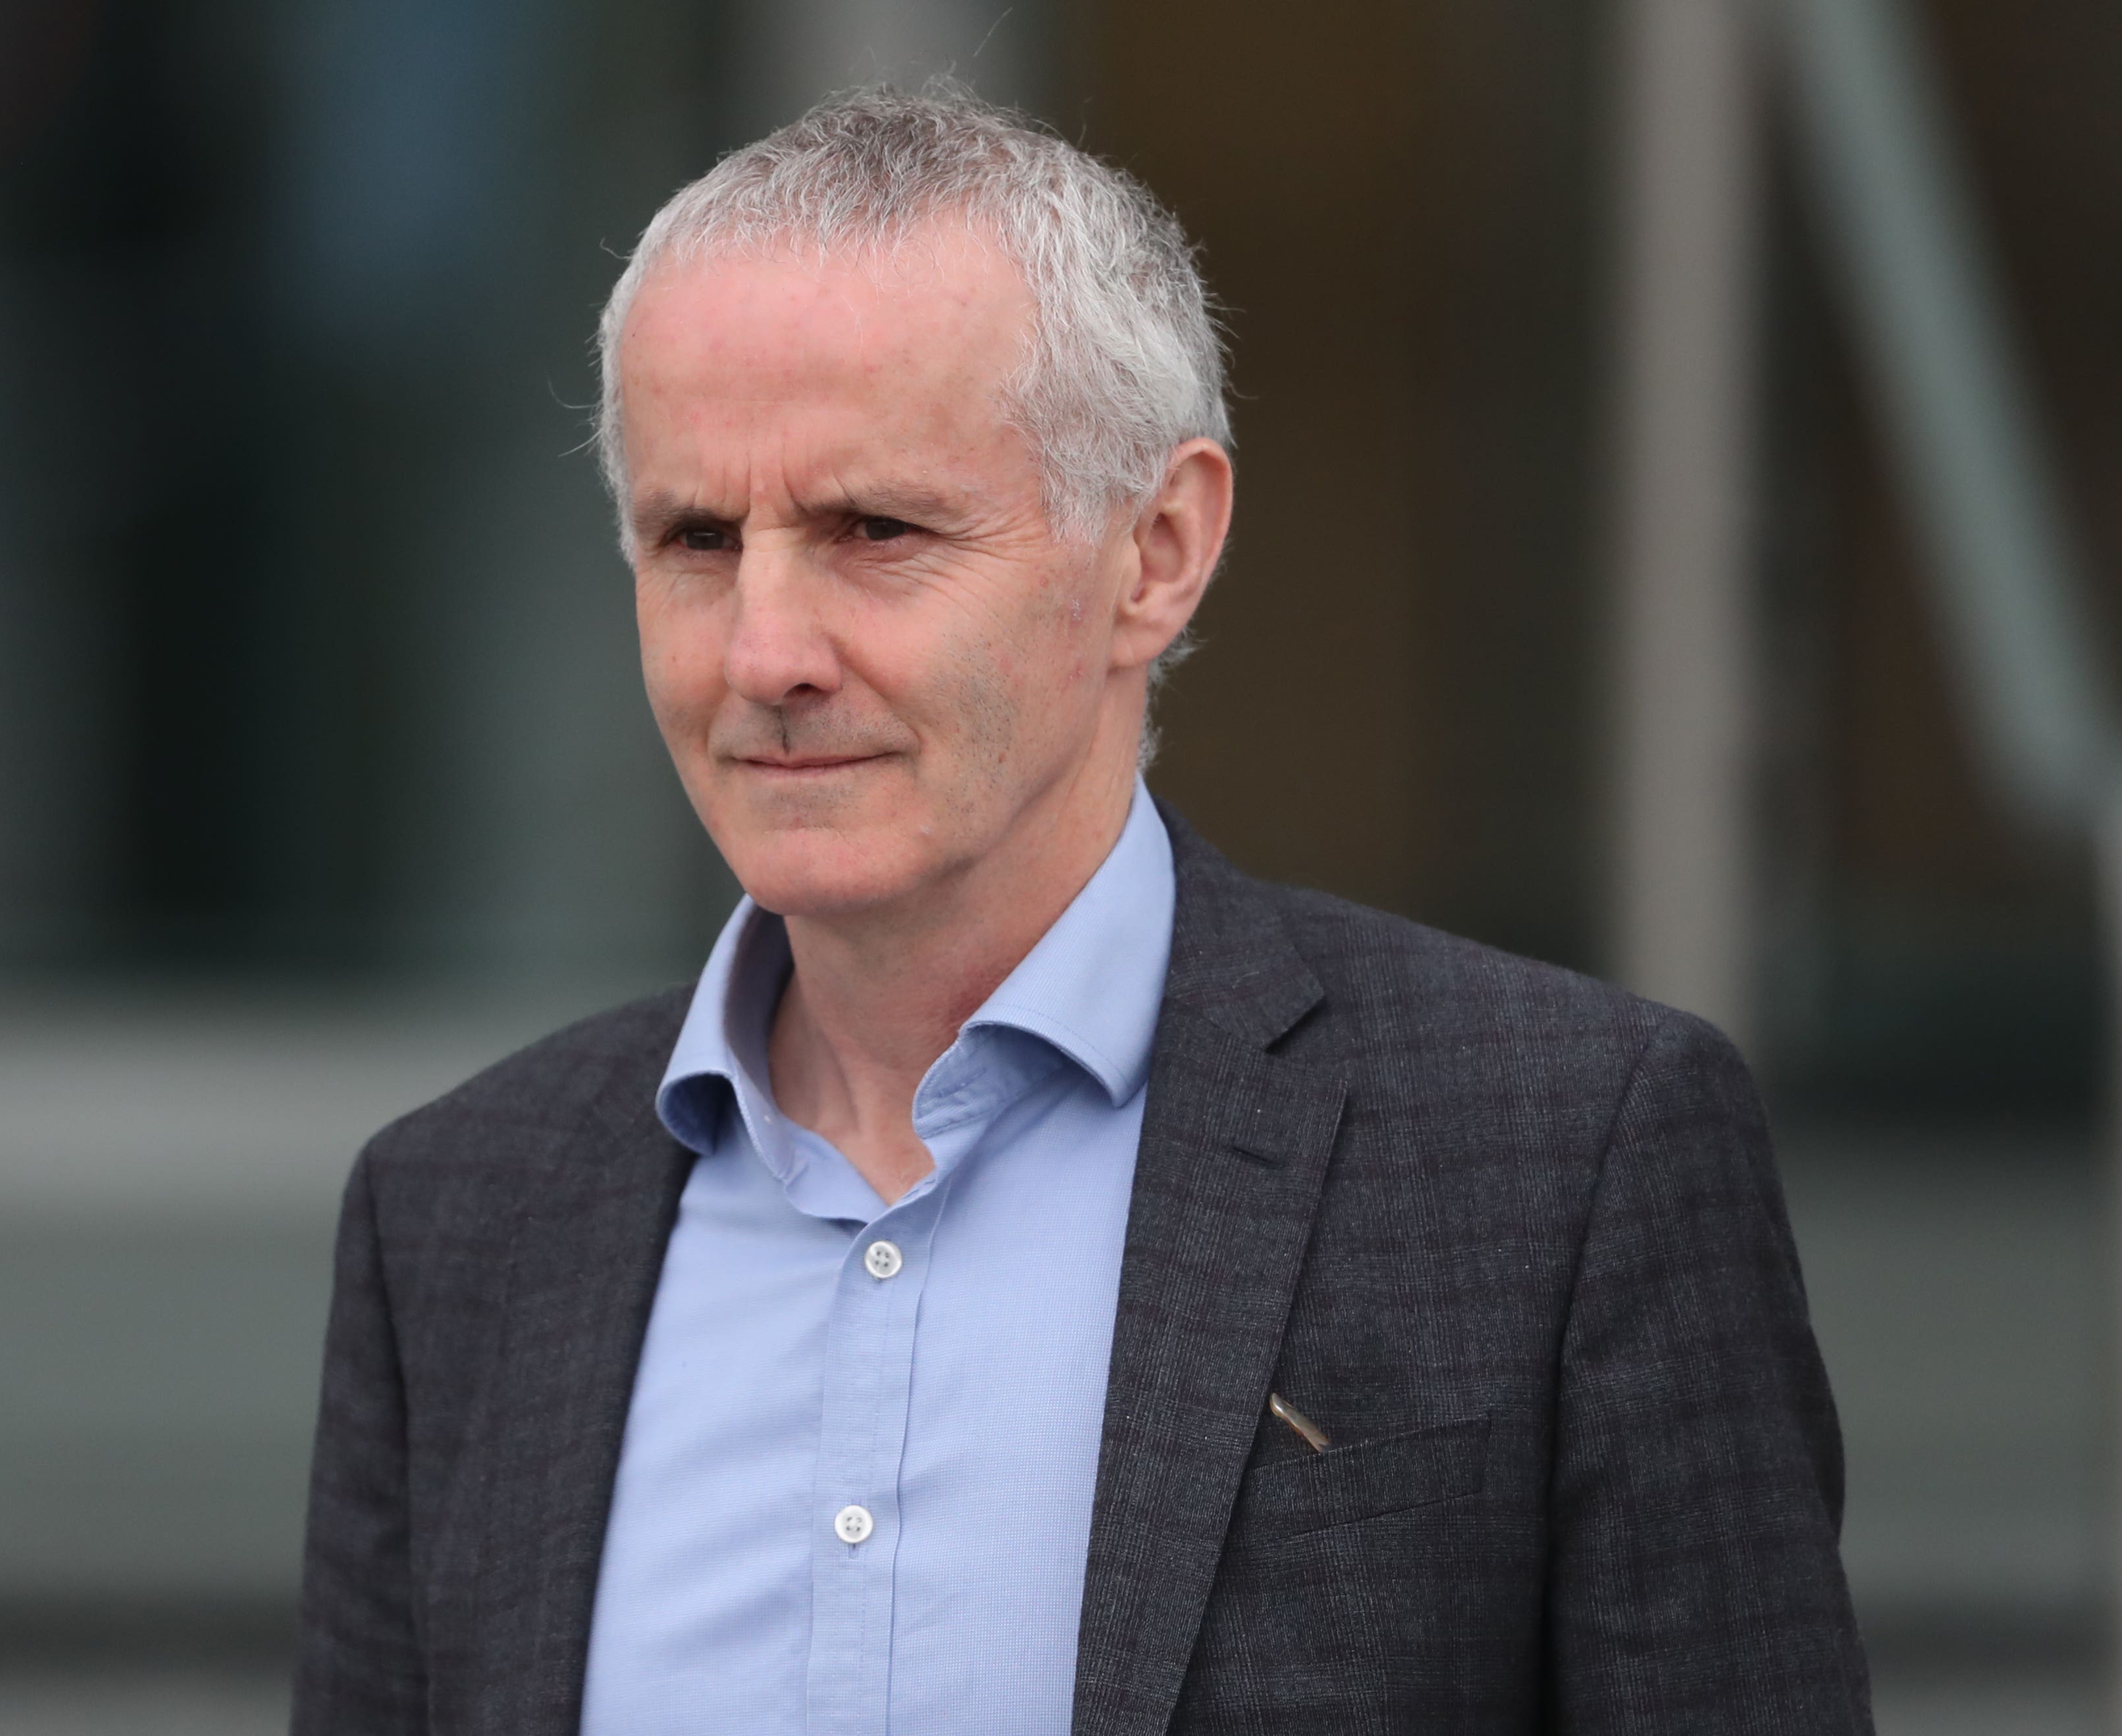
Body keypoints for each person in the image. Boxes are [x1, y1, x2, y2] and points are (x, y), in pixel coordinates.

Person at [289, 87, 1870, 1735]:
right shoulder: (460, 1217)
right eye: (694, 538)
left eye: (874, 530)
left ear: (1158, 549)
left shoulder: (1556, 1156)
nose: (762, 654)